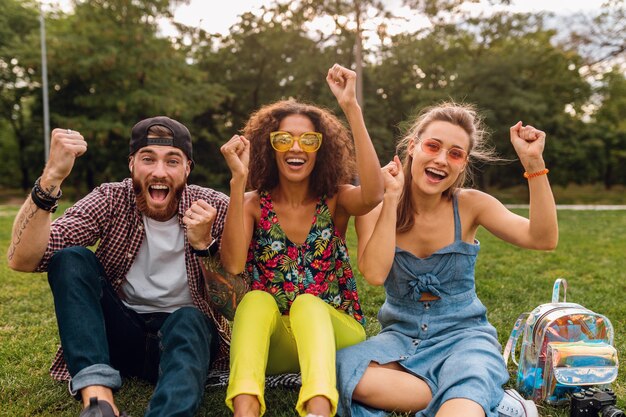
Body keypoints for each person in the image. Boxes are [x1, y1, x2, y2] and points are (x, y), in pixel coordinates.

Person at [6, 116, 247, 417]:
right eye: (148, 159)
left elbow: (238, 306)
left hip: (183, 340)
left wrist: (205, 245)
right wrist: (51, 178)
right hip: (119, 335)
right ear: (132, 164)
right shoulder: (111, 198)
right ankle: (99, 401)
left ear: (187, 169)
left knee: (189, 318)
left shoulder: (215, 207)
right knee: (71, 259)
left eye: (172, 161)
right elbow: (23, 260)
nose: (159, 172)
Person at [335, 102, 558, 417]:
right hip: (401, 339)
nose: (441, 159)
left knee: (459, 408)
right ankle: (481, 394)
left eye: (455, 154)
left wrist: (533, 162)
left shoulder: (470, 205)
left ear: (463, 163)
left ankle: (468, 391)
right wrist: (392, 199)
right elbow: (373, 273)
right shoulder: (377, 206)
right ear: (413, 146)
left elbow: (543, 238)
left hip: (464, 338)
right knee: (342, 368)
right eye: (433, 146)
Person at [217, 63, 384, 417]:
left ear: (321, 149)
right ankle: (243, 411)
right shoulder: (252, 204)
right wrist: (237, 181)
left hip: (336, 332)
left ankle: (319, 410)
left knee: (308, 304)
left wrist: (351, 107)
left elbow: (373, 193)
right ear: (270, 148)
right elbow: (232, 264)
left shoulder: (335, 199)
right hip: (277, 340)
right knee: (255, 300)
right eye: (283, 139)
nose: (296, 147)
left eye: (308, 139)